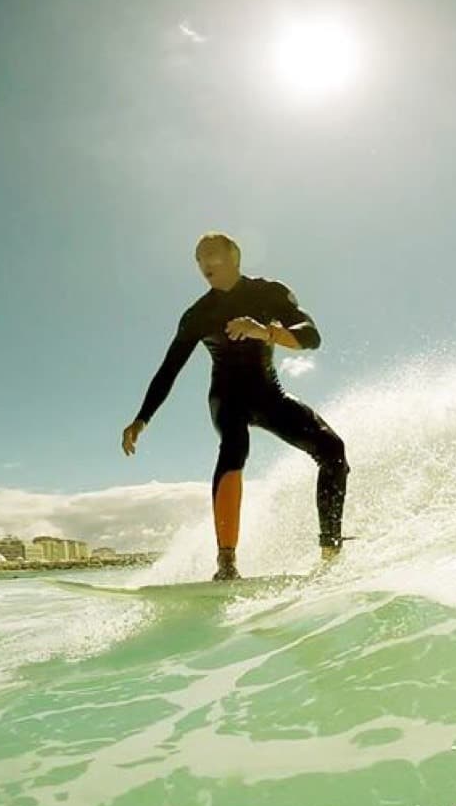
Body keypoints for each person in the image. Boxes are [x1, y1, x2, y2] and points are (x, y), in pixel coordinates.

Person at [122, 232, 351, 580]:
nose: (203, 264)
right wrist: (142, 419)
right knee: (234, 446)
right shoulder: (197, 314)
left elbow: (311, 336)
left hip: (268, 394)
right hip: (227, 397)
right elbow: (169, 369)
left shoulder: (269, 292)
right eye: (198, 259)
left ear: (234, 256)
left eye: (210, 254)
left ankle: (330, 552)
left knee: (333, 449)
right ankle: (226, 564)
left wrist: (265, 332)